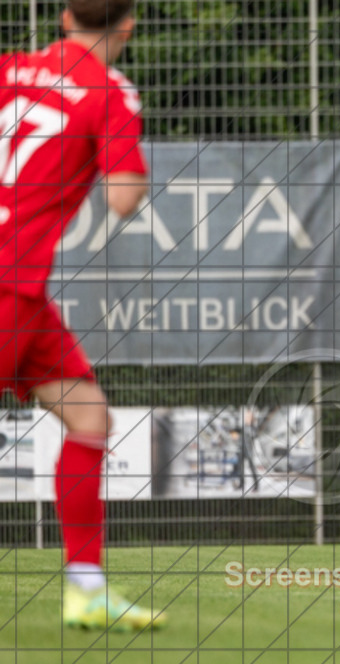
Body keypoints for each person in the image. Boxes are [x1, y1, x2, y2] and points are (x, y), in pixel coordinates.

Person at [0, 0, 166, 630]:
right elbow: (124, 199)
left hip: (22, 297)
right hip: (7, 285)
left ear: (64, 17)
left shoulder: (10, 68)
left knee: (88, 414)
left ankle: (88, 587)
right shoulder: (110, 91)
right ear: (127, 27)